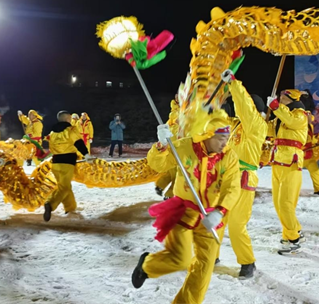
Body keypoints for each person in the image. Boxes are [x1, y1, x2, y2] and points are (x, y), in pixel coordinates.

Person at [131, 110, 241, 304]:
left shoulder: (228, 156)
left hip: (210, 217)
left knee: (204, 268)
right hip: (183, 211)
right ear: (208, 135)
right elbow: (158, 164)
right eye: (221, 138)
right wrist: (161, 146)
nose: (225, 143)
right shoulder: (184, 147)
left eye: (227, 137)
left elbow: (232, 187)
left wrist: (220, 211)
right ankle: (147, 266)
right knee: (180, 259)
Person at [215, 74, 267, 279]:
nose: (237, 108)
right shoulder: (234, 125)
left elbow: (245, 108)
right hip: (225, 178)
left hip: (244, 179)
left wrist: (234, 85)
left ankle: (247, 262)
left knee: (236, 225)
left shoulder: (257, 126)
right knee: (216, 219)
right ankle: (212, 254)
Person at [267, 89, 308, 252]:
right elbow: (268, 131)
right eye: (280, 98)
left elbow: (291, 121)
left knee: (286, 203)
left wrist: (277, 107)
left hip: (291, 162)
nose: (280, 99)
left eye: (283, 98)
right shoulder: (280, 116)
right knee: (278, 203)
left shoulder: (300, 114)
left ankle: (293, 239)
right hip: (278, 160)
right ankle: (292, 231)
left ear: (291, 100)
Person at [43, 111, 93, 222]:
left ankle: (70, 208)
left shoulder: (52, 133)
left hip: (55, 163)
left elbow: (50, 147)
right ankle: (50, 204)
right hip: (67, 162)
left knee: (65, 186)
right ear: (67, 119)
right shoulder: (70, 130)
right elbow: (78, 142)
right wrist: (86, 154)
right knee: (64, 187)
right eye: (70, 119)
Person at [155, 97, 179, 199]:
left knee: (171, 172)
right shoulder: (181, 116)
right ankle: (169, 195)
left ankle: (160, 185)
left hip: (170, 149)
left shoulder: (171, 117)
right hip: (177, 149)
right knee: (178, 176)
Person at [302, 112, 319, 197]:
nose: (310, 119)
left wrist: (316, 143)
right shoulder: (299, 127)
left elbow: (311, 139)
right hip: (300, 155)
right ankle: (285, 187)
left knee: (315, 171)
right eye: (308, 117)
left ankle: (318, 189)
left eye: (310, 117)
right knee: (293, 173)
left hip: (309, 155)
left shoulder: (310, 126)